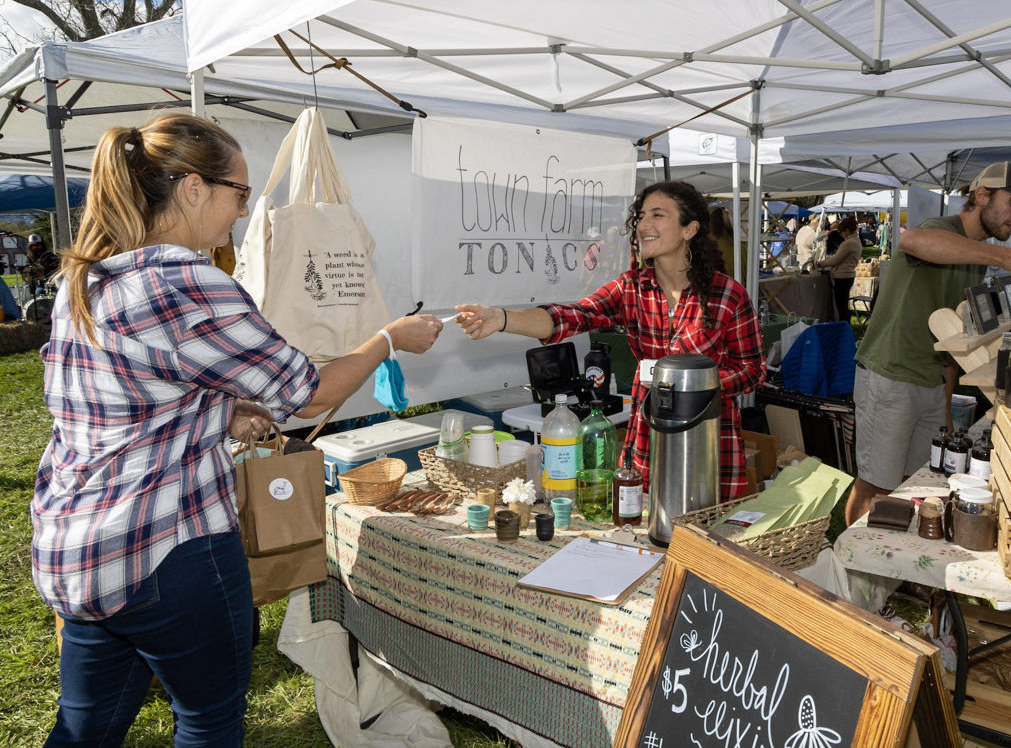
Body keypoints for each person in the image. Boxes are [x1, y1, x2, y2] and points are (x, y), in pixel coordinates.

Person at [34, 114, 442, 746]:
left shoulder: (85, 282)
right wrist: (386, 339)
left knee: (85, 727)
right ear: (193, 188)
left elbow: (122, 400)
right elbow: (308, 394)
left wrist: (219, 412)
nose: (243, 213)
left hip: (81, 548)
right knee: (208, 720)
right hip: (169, 550)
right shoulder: (185, 280)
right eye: (239, 194)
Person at [456, 180, 766, 501]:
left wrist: (692, 384)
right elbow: (572, 315)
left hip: (709, 437)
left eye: (657, 215)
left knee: (703, 535)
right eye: (641, 216)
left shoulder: (727, 295)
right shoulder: (631, 289)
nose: (643, 225)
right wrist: (501, 318)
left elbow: (753, 369)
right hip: (650, 430)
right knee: (644, 527)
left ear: (690, 229)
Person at [845, 162, 1011, 525]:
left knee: (915, 485)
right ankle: (848, 572)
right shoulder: (942, 230)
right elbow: (911, 240)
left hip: (928, 381)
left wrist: (944, 405)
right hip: (890, 376)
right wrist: (1006, 257)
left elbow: (954, 334)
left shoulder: (976, 252)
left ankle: (891, 567)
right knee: (876, 486)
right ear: (982, 195)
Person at [816, 216, 862, 323]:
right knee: (843, 306)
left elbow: (835, 260)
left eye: (841, 232)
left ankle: (843, 329)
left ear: (847, 230)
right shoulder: (856, 241)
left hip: (843, 276)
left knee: (842, 308)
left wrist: (818, 264)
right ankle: (845, 328)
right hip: (848, 275)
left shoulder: (848, 243)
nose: (840, 234)